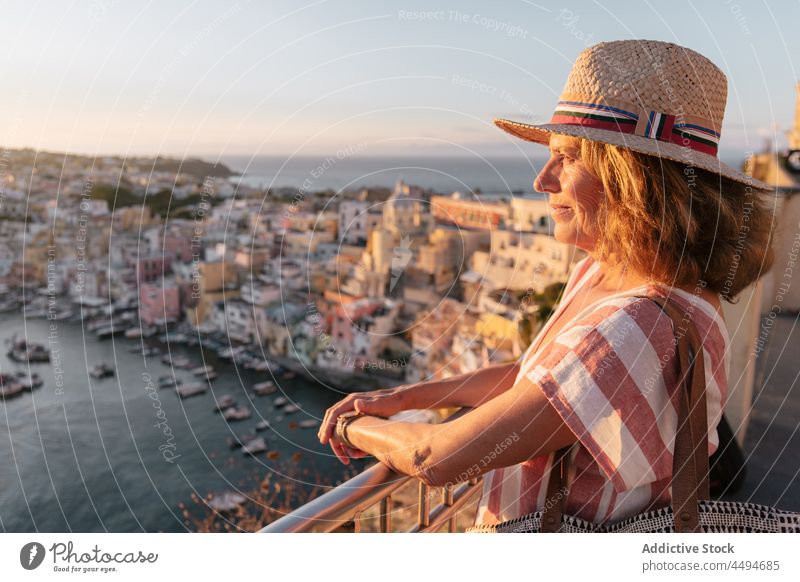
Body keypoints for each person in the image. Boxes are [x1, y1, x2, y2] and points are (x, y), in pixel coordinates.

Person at [317, 39, 775, 528]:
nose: (542, 179)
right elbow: (540, 380)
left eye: (568, 157)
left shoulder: (636, 321)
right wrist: (407, 397)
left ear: (637, 181)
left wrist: (351, 425)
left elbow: (438, 456)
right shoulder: (610, 274)